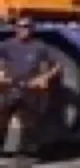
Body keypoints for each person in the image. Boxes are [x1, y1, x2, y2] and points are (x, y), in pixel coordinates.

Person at [0, 18, 62, 156]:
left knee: (29, 123)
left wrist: (44, 78)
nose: (24, 29)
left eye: (27, 27)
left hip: (30, 89)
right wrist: (1, 74)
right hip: (9, 87)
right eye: (21, 26)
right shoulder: (6, 45)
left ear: (32, 29)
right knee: (1, 120)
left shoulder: (39, 47)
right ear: (16, 28)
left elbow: (57, 65)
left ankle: (26, 153)